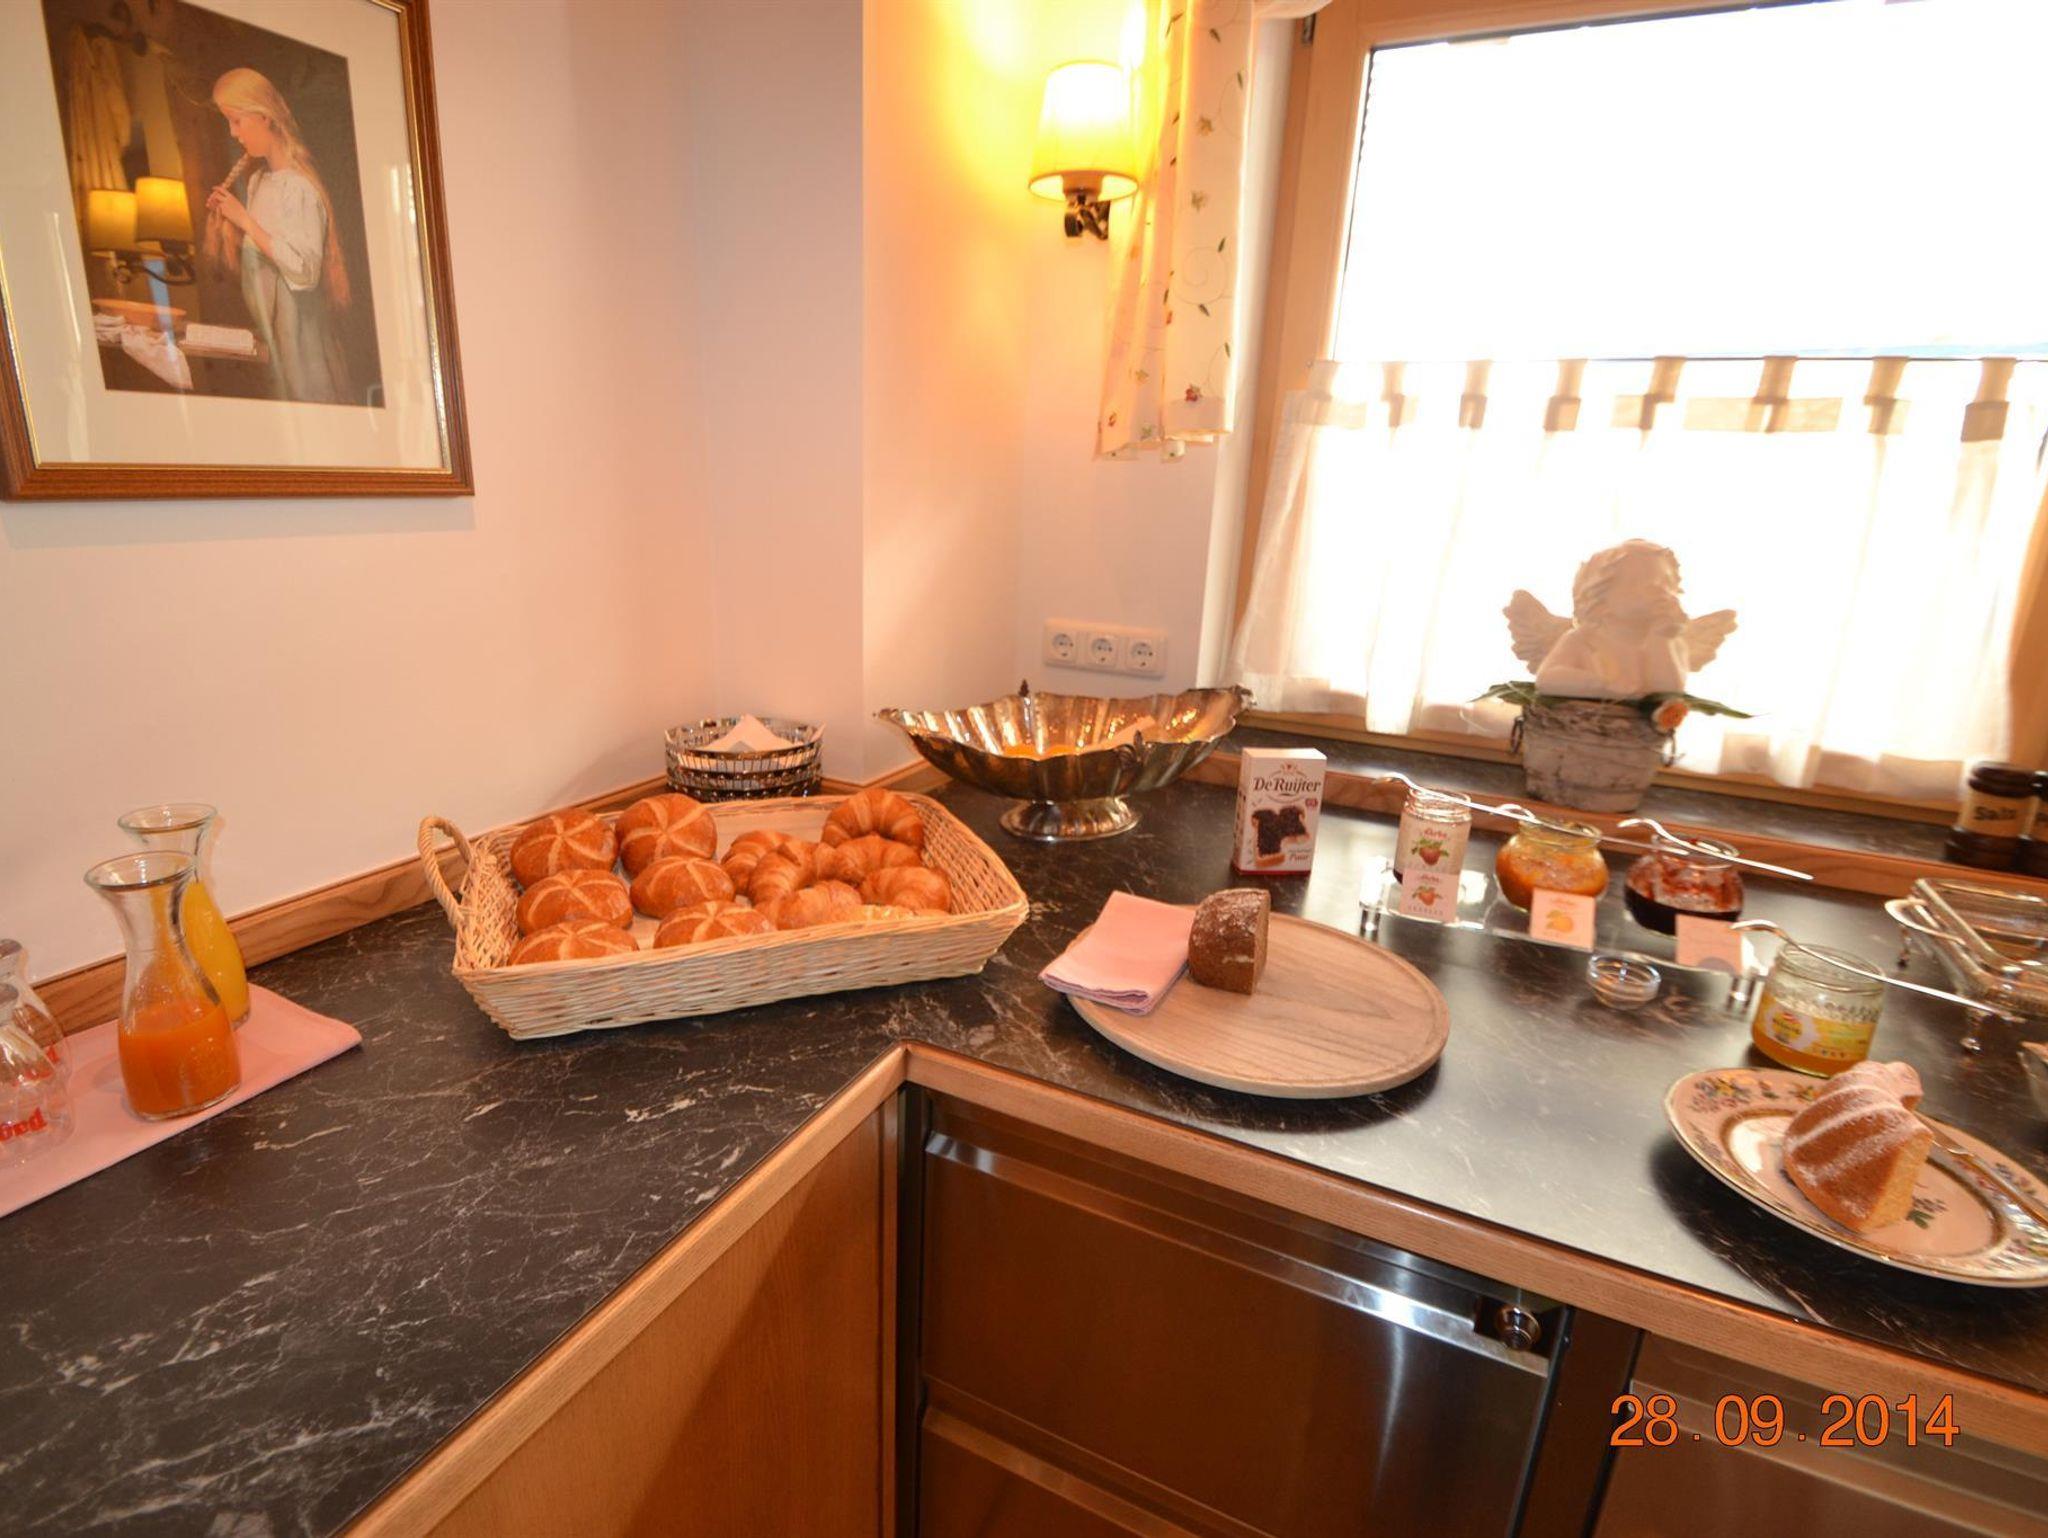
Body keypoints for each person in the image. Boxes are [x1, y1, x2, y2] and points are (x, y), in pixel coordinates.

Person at [201, 68, 353, 405]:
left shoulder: (298, 188)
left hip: (300, 343)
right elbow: (260, 258)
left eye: (237, 121)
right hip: (274, 336)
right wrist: (227, 220)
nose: (233, 133)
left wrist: (244, 220)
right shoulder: (259, 182)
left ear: (264, 117)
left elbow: (304, 272)